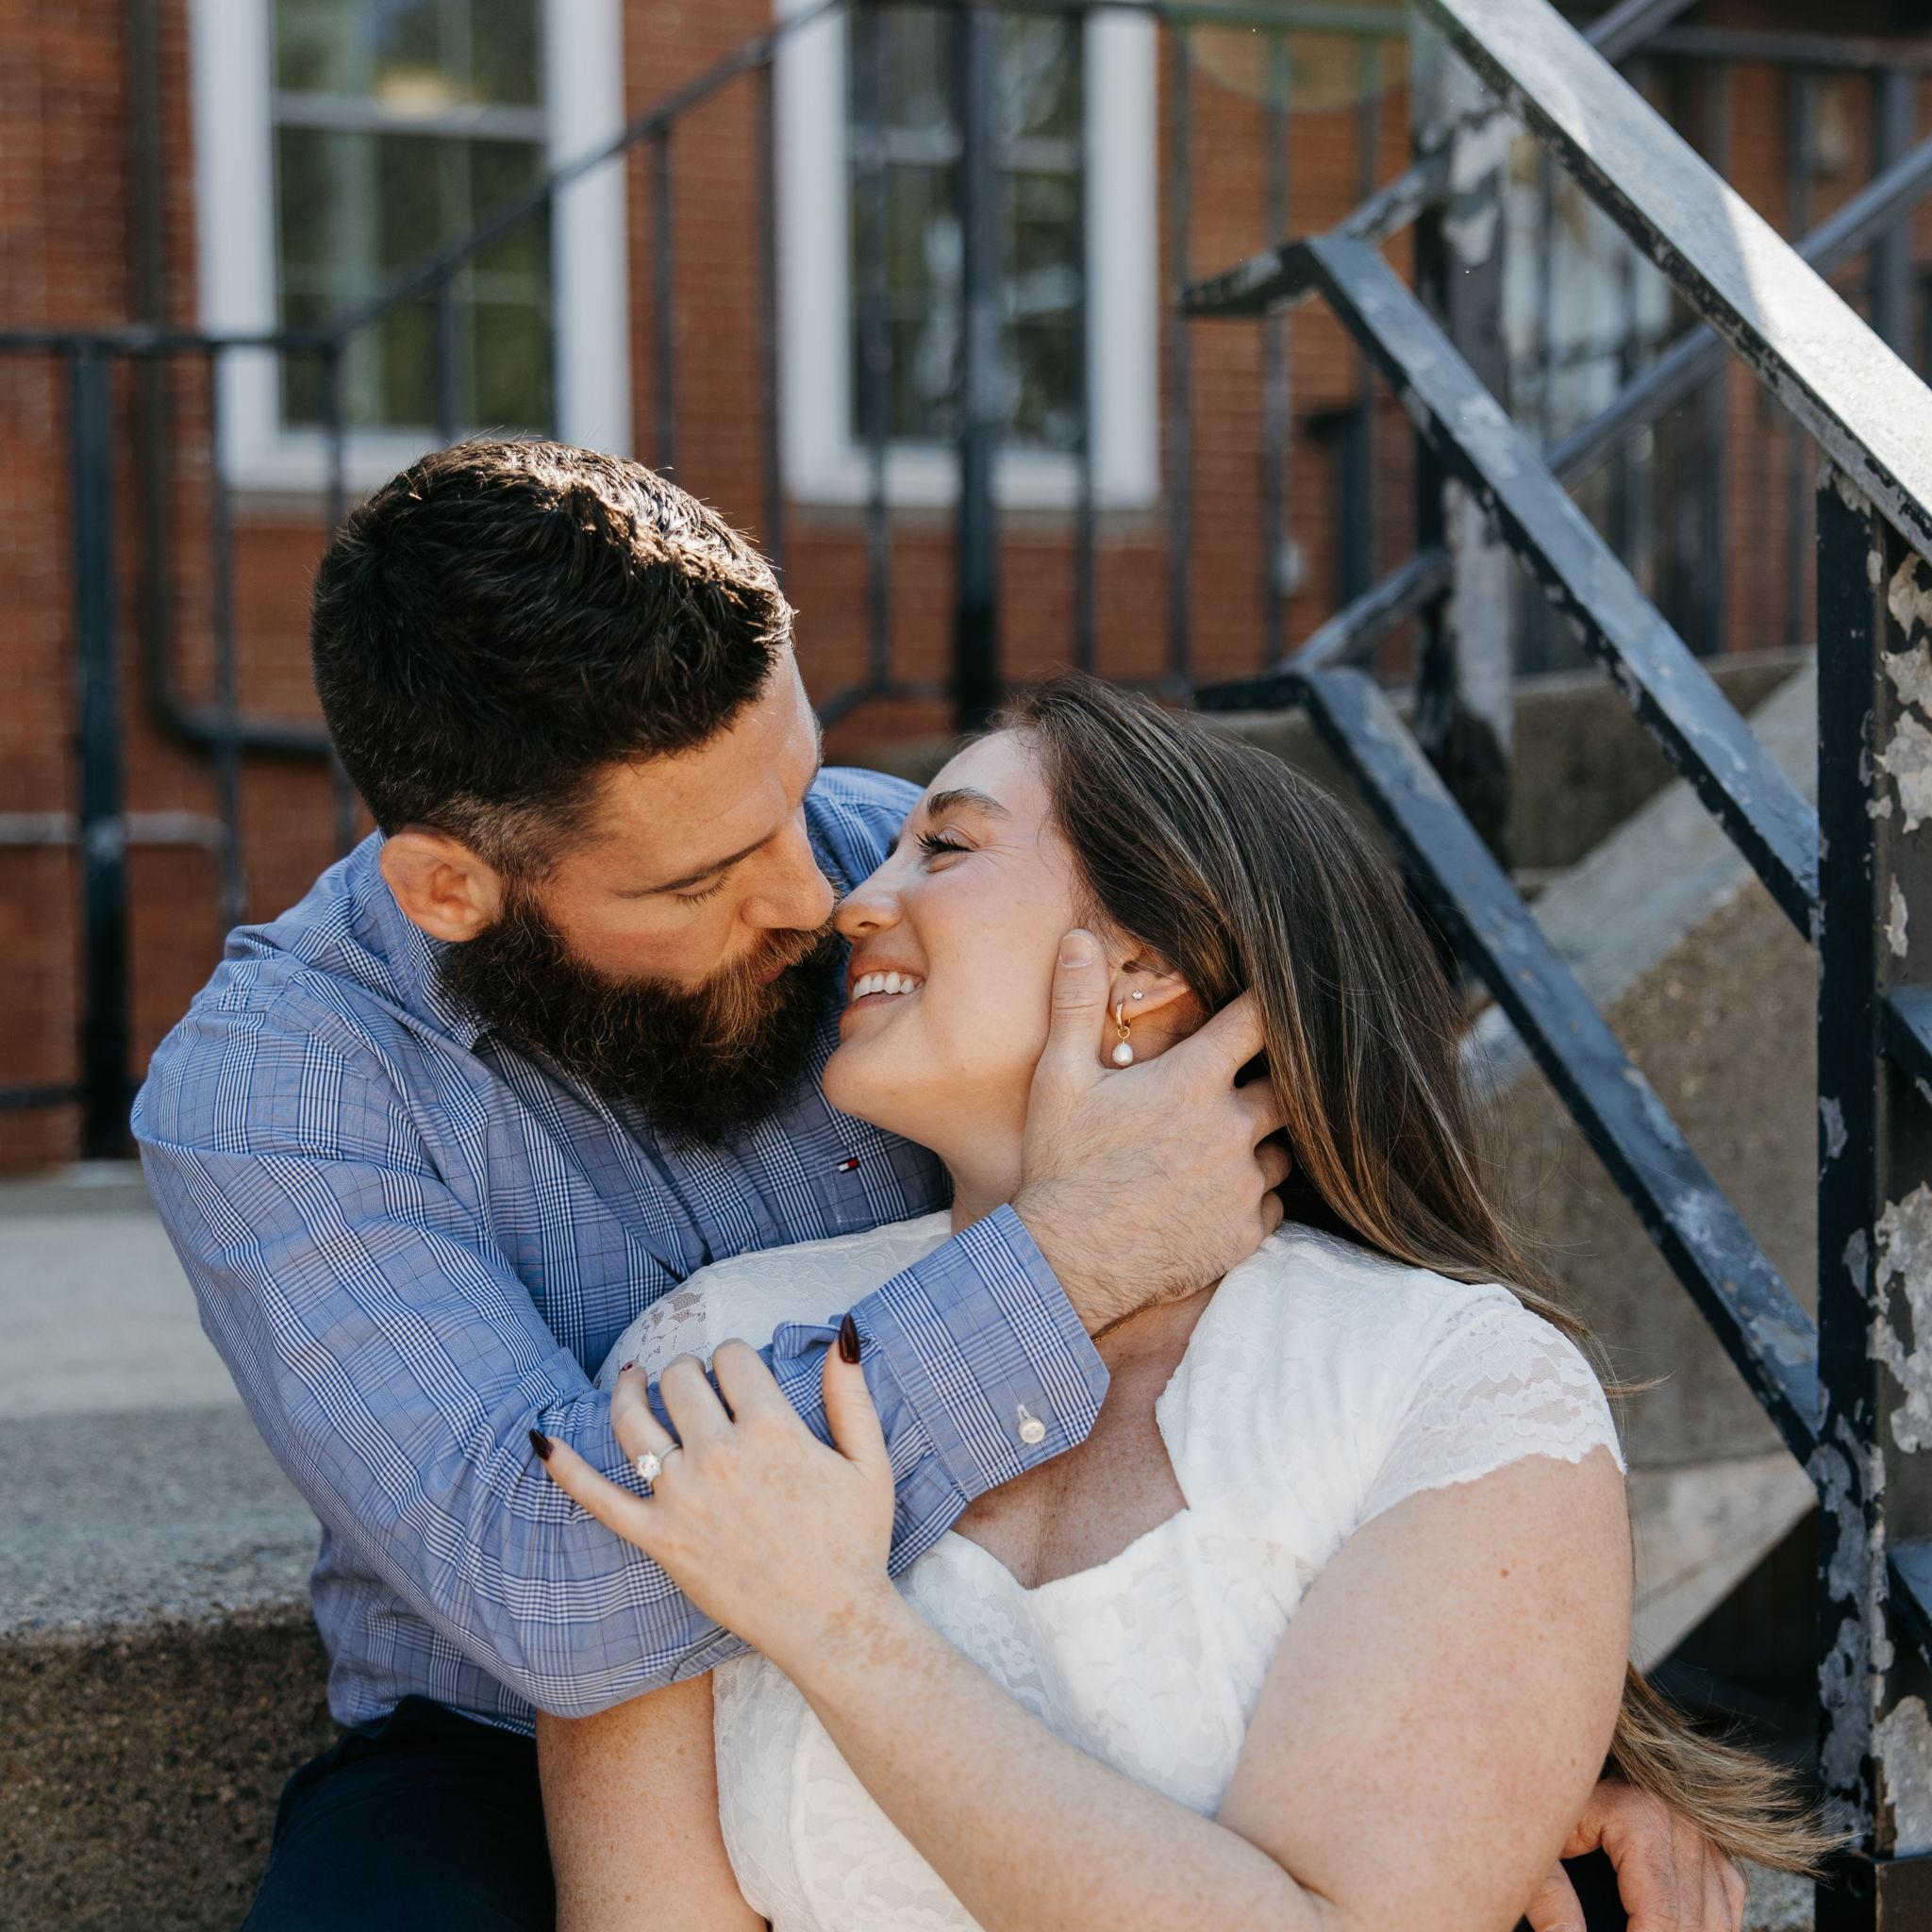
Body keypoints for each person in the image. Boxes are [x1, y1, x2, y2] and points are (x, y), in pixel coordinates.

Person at [131, 441, 1757, 1929]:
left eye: (809, 798)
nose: (827, 893)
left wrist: (1511, 1733)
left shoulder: (870, 870)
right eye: (705, 876)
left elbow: (1365, 1329)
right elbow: (559, 1595)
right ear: (451, 885)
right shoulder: (278, 1088)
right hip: (514, 1714)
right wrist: (1067, 1263)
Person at [534, 676, 1828, 1932]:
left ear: (1140, 963)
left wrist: (836, 1625)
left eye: (947, 846)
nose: (855, 902)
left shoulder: (1450, 1386)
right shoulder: (713, 1349)